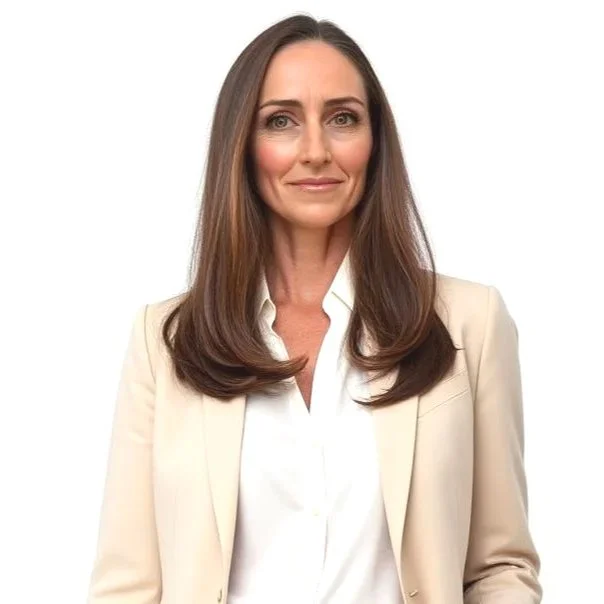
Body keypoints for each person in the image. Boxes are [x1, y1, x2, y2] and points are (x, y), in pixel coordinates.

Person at [87, 13, 542, 604]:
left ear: (375, 140)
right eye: (281, 121)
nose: (316, 151)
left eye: (342, 118)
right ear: (242, 145)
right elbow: (127, 587)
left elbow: (500, 566)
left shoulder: (469, 323)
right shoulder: (165, 340)